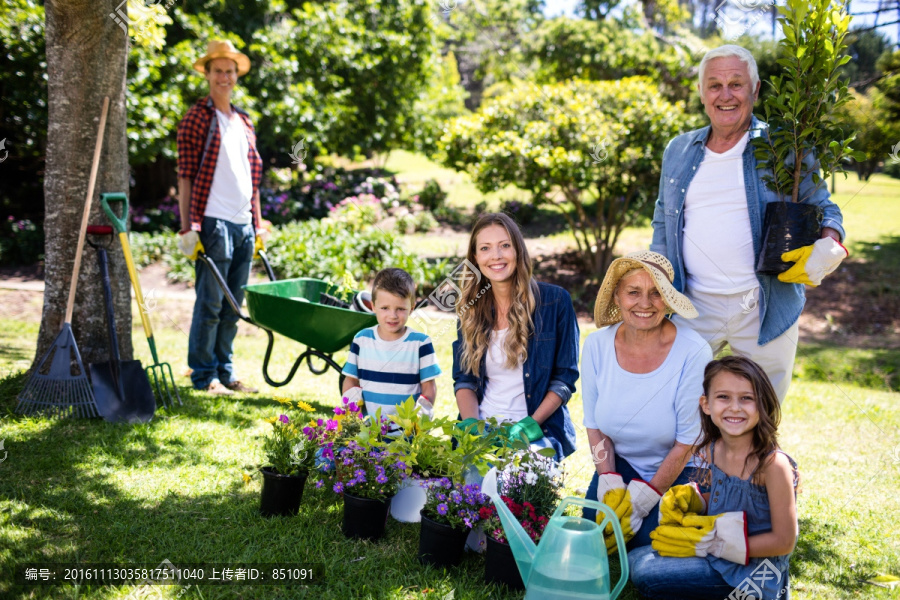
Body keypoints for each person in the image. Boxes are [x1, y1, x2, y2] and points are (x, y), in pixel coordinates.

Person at [650, 44, 848, 403]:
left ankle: (762, 462)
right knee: (681, 409)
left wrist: (831, 242)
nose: (725, 95)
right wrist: (656, 284)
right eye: (714, 85)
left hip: (764, 305)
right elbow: (662, 223)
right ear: (701, 92)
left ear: (755, 90)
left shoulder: (786, 147)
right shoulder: (678, 149)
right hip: (692, 307)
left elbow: (823, 206)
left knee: (761, 414)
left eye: (736, 84)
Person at [630, 355, 799, 600]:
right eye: (723, 397)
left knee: (646, 573)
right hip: (719, 553)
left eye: (747, 398)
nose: (734, 407)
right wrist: (698, 500)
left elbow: (784, 541)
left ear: (763, 405)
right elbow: (733, 499)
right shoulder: (714, 448)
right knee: (635, 557)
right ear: (706, 404)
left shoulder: (773, 465)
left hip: (757, 570)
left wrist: (716, 545)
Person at [582, 251, 712, 551]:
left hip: (681, 469)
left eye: (656, 293)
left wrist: (646, 499)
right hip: (621, 463)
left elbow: (688, 441)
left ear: (667, 300)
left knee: (646, 542)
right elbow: (594, 424)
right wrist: (609, 480)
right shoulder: (597, 345)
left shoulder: (693, 351)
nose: (644, 303)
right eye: (633, 292)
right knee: (595, 530)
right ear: (617, 296)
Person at [176, 39, 270, 396]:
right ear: (208, 74)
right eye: (218, 70)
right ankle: (204, 375)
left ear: (236, 76)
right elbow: (185, 175)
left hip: (244, 224)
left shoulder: (244, 121)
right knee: (211, 303)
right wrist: (188, 227)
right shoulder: (196, 118)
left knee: (233, 305)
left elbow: (253, 178)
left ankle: (226, 372)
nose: (224, 77)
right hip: (212, 222)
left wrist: (258, 223)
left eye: (230, 71)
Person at [452, 212, 579, 462]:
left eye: (505, 245)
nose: (496, 256)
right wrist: (471, 427)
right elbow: (464, 378)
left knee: (521, 487)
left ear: (518, 251)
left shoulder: (555, 302)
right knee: (472, 494)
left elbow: (565, 377)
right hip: (483, 430)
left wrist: (530, 425)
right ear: (476, 259)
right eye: (485, 248)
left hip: (537, 430)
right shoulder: (470, 308)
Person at [342, 268, 441, 421]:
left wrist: (419, 418)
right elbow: (351, 380)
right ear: (373, 306)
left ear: (412, 308)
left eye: (400, 309)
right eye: (384, 308)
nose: (392, 315)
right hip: (368, 432)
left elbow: (428, 387)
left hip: (406, 434)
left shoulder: (421, 343)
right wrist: (351, 415)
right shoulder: (361, 340)